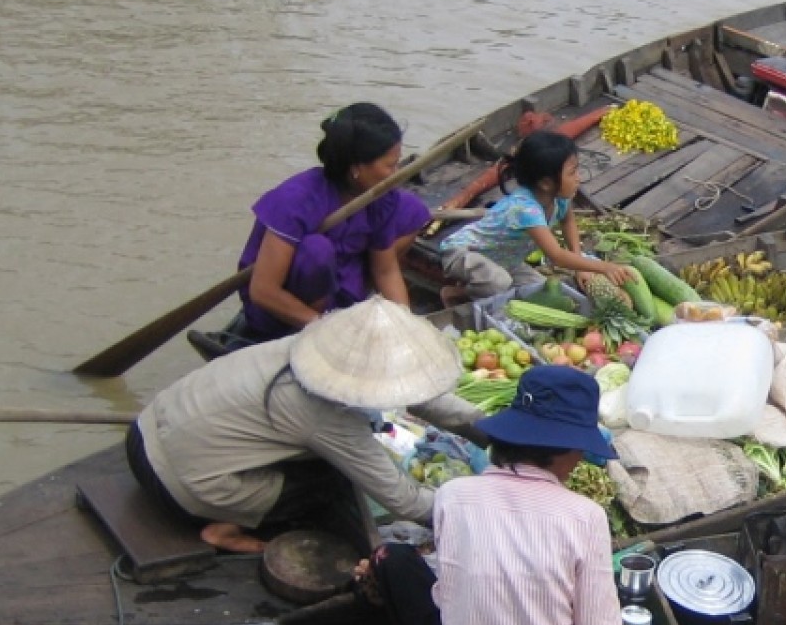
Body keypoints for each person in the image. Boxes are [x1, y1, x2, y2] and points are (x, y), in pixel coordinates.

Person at [360, 366, 702, 625]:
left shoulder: (452, 497)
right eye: (578, 449)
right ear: (562, 451)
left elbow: (448, 595)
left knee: (394, 559)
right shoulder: (584, 517)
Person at [127, 298, 459, 554]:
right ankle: (224, 526)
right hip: (179, 485)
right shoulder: (326, 415)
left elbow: (419, 394)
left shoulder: (305, 346)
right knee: (335, 481)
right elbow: (405, 501)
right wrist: (472, 507)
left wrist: (484, 427)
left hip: (143, 432)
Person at [233, 103, 431, 343]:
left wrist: (406, 325)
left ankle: (350, 299)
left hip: (337, 277)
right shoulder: (296, 199)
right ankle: (313, 320)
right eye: (390, 165)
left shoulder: (379, 197)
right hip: (282, 306)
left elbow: (385, 269)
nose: (396, 171)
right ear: (356, 168)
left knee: (413, 211)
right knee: (317, 250)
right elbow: (263, 291)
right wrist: (327, 329)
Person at [436, 129, 639, 305]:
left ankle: (483, 287)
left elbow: (567, 221)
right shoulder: (526, 209)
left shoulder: (559, 198)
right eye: (572, 172)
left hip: (505, 259)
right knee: (499, 284)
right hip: (463, 251)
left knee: (538, 288)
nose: (579, 178)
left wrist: (579, 264)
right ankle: (457, 294)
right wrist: (604, 267)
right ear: (546, 183)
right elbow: (557, 256)